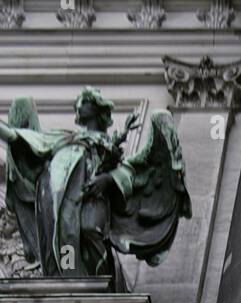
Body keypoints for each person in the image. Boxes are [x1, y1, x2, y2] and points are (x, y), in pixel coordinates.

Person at [0, 88, 190, 281]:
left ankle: (96, 281)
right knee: (66, 235)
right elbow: (18, 137)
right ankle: (70, 276)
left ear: (95, 108)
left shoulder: (106, 143)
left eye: (83, 101)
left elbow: (128, 172)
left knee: (91, 230)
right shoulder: (64, 138)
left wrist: (109, 180)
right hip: (65, 200)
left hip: (93, 199)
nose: (78, 105)